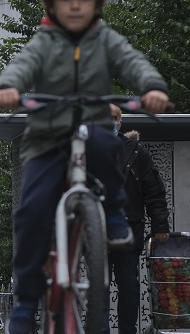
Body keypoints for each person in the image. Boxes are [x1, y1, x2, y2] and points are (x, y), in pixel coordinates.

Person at [0, 0, 170, 334]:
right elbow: (21, 65)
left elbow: (133, 62)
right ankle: (25, 304)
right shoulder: (44, 40)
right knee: (32, 212)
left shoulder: (105, 40)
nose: (75, 6)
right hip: (47, 137)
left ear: (97, 3)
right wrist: (8, 87)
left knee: (107, 147)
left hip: (93, 125)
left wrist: (151, 86)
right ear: (51, 3)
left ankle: (114, 213)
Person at [103, 105, 171, 334]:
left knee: (129, 287)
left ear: (120, 122)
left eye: (114, 118)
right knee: (98, 288)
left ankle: (127, 331)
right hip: (96, 232)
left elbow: (153, 191)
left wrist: (160, 224)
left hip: (128, 229)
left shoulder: (136, 151)